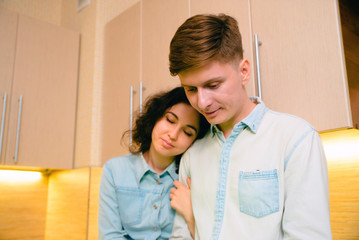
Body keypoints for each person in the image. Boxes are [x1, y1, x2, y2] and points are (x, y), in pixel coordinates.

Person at [168, 14, 332, 239]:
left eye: (213, 85)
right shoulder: (192, 156)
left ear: (243, 71)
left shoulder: (296, 139)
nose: (202, 102)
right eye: (191, 90)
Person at [98, 87, 210, 240]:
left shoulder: (190, 180)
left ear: (194, 141)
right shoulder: (114, 170)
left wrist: (191, 215)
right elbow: (110, 236)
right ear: (155, 117)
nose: (173, 135)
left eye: (187, 132)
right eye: (170, 120)